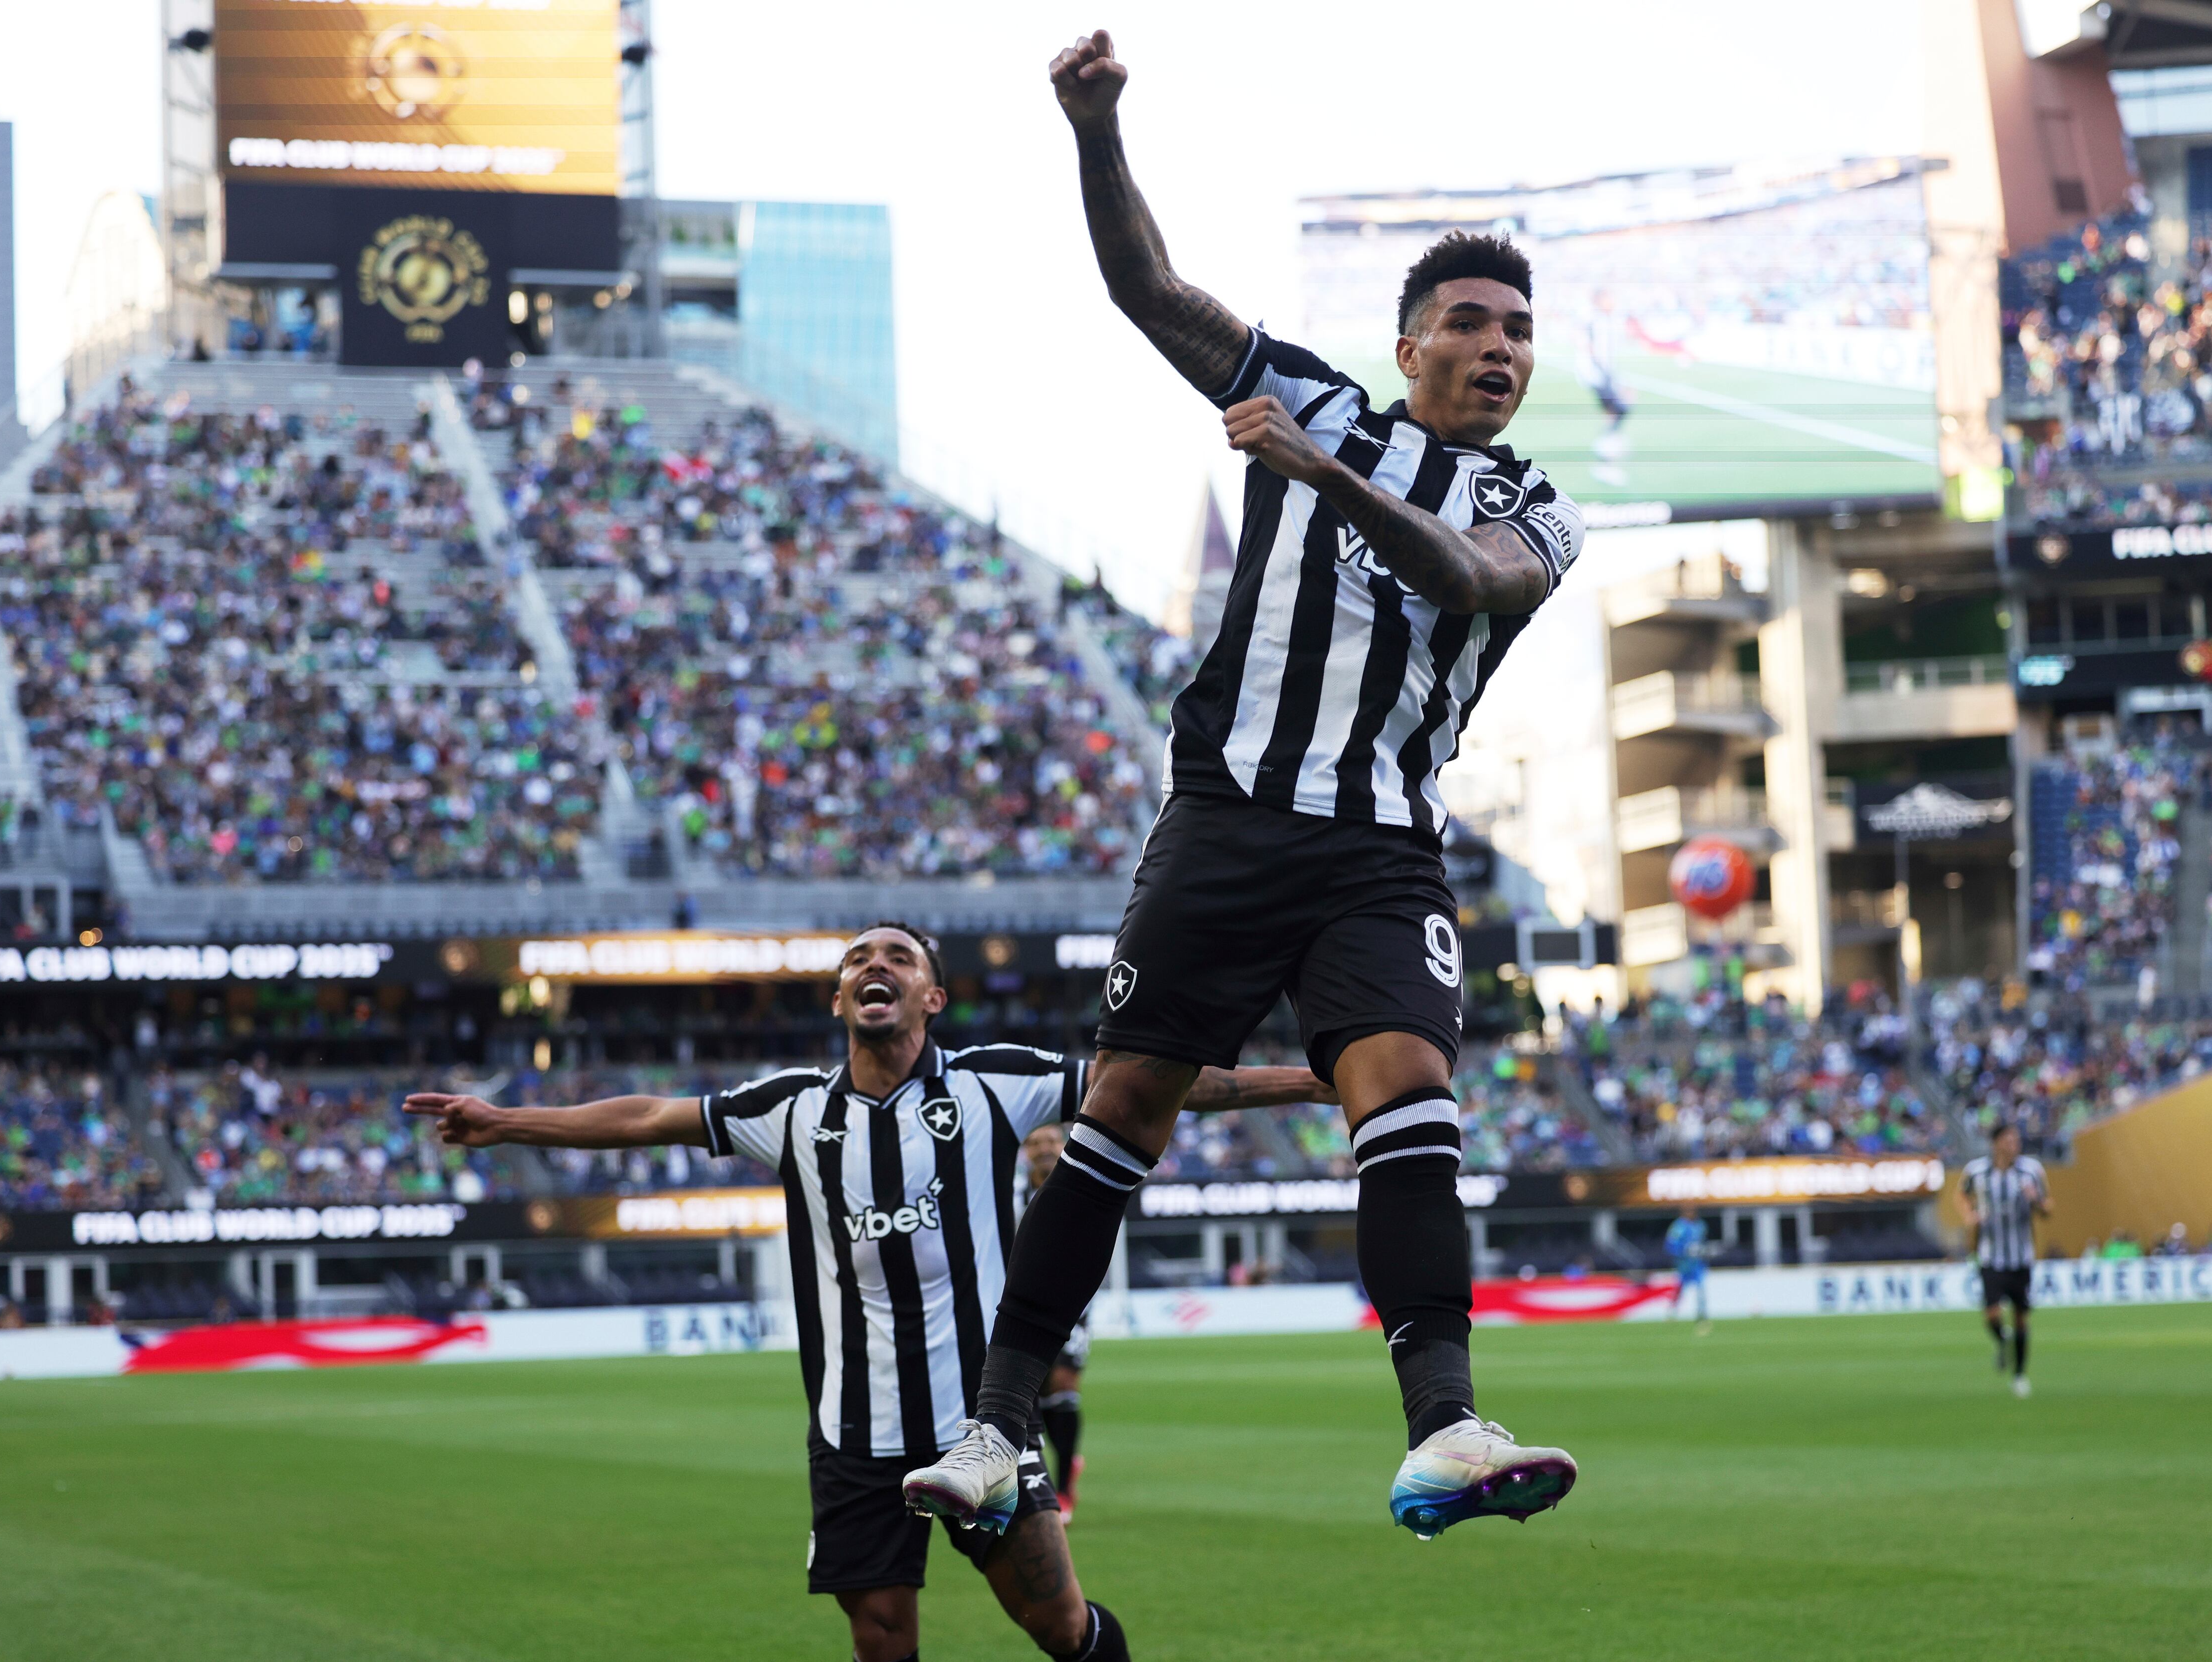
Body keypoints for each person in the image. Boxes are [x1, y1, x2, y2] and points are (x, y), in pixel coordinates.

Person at [905, 30, 1586, 1547]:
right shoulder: (1314, 400)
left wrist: (1319, 478)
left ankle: (1443, 1426)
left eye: (1519, 332)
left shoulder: (1533, 504)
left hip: (1382, 846)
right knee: (1121, 1109)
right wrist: (1096, 129)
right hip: (1225, 823)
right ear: (1407, 345)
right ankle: (997, 1430)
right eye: (1470, 324)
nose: (1500, 349)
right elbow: (1147, 287)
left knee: (1408, 1094)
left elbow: (1468, 578)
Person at [405, 922, 1330, 1662]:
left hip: (984, 1425)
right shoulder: (792, 1108)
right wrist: (506, 1121)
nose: (874, 965)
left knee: (1059, 1625)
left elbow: (1154, 1082)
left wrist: (1318, 1082)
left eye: (898, 956)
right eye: (857, 960)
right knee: (881, 1641)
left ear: (932, 996)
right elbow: (650, 1114)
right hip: (854, 1436)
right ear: (840, 998)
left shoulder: (993, 1084)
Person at [1019, 1123, 1092, 1517]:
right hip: (1021, 1304)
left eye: (1050, 1140)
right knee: (1037, 1389)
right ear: (1026, 1151)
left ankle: (1063, 1490)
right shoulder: (1009, 1194)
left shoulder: (1081, 1186)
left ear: (1063, 1144)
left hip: (1071, 1305)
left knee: (1064, 1383)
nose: (1044, 1148)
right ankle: (1060, 1461)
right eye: (1036, 1142)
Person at [1961, 1121, 2051, 1398]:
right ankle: (2003, 1340)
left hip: (2021, 1257)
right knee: (1992, 1315)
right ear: (1996, 1143)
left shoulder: (2032, 1171)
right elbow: (1961, 1195)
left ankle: (2020, 1375)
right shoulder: (1977, 1171)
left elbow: (2048, 1208)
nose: (2015, 1145)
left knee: (2021, 1318)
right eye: (2009, 1140)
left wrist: (2036, 1200)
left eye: (2016, 1140)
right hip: (1990, 1257)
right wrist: (1970, 1216)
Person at [1664, 1203, 1710, 1333]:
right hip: (1684, 1265)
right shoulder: (1679, 1226)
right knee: (1680, 1289)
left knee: (1701, 1290)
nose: (1691, 1214)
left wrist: (1703, 1251)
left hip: (1697, 1265)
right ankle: (1672, 1312)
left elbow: (1703, 1242)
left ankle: (1702, 1315)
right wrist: (1684, 1250)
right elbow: (1670, 1245)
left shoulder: (1701, 1225)